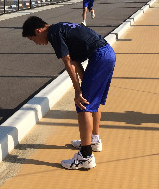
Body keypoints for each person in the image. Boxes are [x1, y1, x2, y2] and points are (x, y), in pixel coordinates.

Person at [22, 16, 116, 170]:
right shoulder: (61, 28)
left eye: (33, 39)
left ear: (38, 31)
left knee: (83, 104)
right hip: (107, 54)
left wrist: (78, 91)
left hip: (99, 57)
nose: (36, 43)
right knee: (92, 100)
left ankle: (85, 156)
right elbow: (75, 61)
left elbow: (67, 62)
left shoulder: (53, 34)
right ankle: (93, 140)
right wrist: (84, 85)